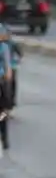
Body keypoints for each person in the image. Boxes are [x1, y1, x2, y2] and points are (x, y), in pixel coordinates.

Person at [0, 25, 17, 155]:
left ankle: (5, 139)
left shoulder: (4, 47)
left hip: (1, 81)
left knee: (3, 111)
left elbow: (8, 68)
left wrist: (7, 80)